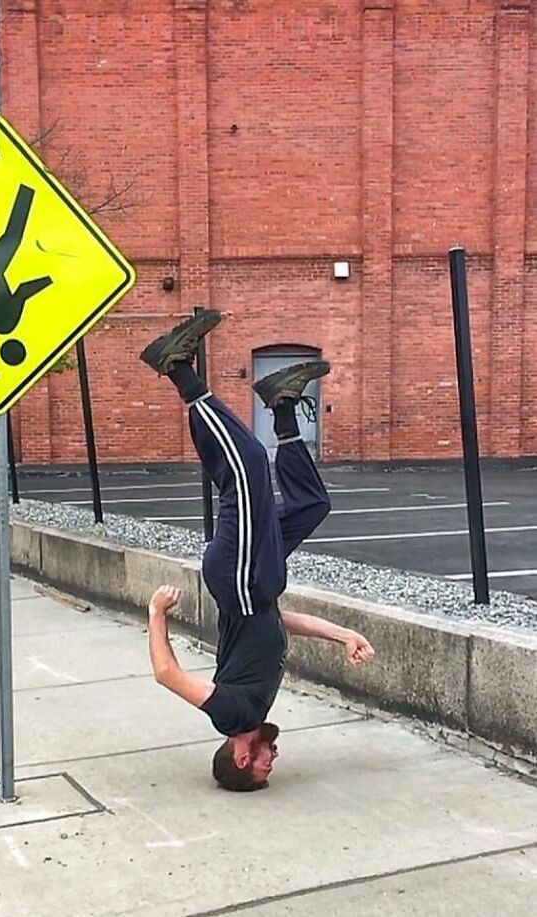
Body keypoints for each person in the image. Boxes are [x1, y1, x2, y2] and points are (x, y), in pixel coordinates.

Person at [140, 311, 375, 791]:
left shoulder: (232, 715)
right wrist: (343, 633)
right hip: (256, 587)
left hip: (239, 575)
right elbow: (277, 621)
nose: (274, 757)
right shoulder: (257, 700)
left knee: (246, 469)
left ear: (242, 759)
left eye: (267, 764)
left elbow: (166, 673)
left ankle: (177, 369)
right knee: (312, 505)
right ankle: (282, 403)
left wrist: (156, 612)